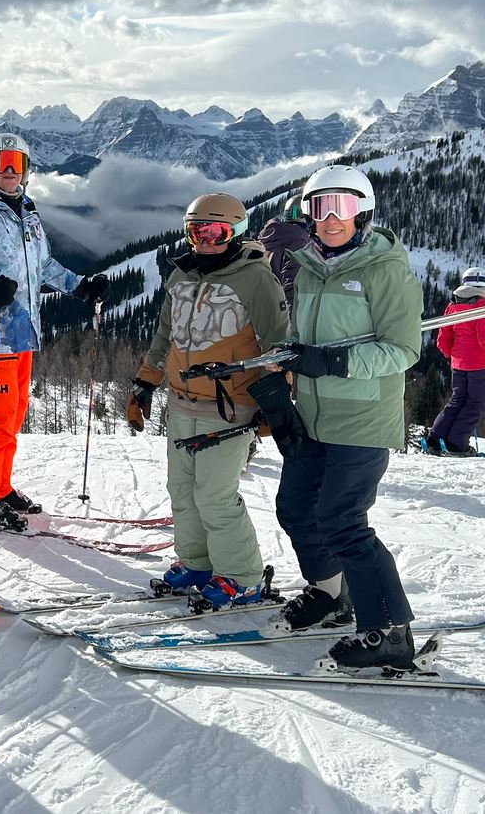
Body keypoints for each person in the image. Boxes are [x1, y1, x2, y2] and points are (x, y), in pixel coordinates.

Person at [263, 165, 423, 670]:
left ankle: (389, 632)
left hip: (362, 417)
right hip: (312, 414)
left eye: (344, 207)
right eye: (319, 207)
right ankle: (332, 592)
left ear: (364, 212)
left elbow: (402, 350)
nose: (331, 218)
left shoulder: (385, 268)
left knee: (342, 522)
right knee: (294, 508)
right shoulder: (309, 265)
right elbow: (308, 332)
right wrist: (292, 353)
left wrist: (332, 362)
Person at [128, 193, 289, 608]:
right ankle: (197, 562)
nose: (205, 241)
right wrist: (145, 382)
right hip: (182, 401)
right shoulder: (180, 276)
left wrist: (279, 402)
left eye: (216, 232)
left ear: (235, 233)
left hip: (231, 405)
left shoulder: (255, 278)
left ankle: (243, 576)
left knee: (215, 494)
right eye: (196, 231)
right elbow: (165, 335)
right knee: (181, 489)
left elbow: (278, 345)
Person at [0, 133, 109, 530]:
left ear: (26, 170)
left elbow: (44, 265)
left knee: (13, 415)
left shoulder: (25, 210)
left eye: (16, 163)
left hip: (23, 330)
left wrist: (80, 287)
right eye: (1, 162)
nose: (8, 171)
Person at [425, 267, 485, 457]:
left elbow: (443, 338)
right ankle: (456, 444)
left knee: (457, 400)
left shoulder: (453, 305)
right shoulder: (482, 305)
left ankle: (435, 439)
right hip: (479, 364)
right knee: (475, 403)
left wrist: (452, 356)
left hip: (458, 364)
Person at [256, 193, 310, 316]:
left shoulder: (268, 237)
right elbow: (293, 288)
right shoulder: (298, 243)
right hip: (279, 316)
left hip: (260, 311)